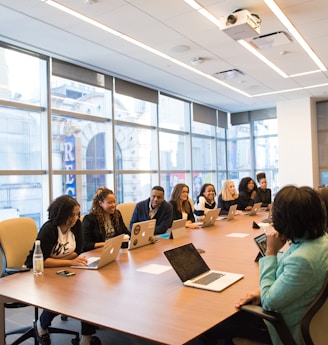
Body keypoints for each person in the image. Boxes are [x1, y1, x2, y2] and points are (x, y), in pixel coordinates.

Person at [197, 185, 328, 345]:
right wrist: (260, 291)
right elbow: (288, 274)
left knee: (210, 327)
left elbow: (268, 301)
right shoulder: (320, 241)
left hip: (284, 327)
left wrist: (271, 253)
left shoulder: (303, 259)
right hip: (309, 318)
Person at [25, 195, 101, 345]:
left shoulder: (76, 225)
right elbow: (40, 261)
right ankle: (41, 325)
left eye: (77, 213)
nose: (76, 217)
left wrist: (65, 261)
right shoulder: (50, 229)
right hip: (42, 273)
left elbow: (78, 251)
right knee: (62, 295)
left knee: (88, 293)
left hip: (65, 267)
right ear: (62, 214)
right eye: (72, 214)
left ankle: (86, 338)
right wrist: (68, 261)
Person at [82, 187, 130, 252]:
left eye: (114, 202)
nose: (113, 205)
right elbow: (85, 244)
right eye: (110, 203)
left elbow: (125, 232)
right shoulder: (89, 219)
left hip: (114, 251)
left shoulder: (117, 214)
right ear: (100, 203)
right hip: (98, 252)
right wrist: (105, 244)